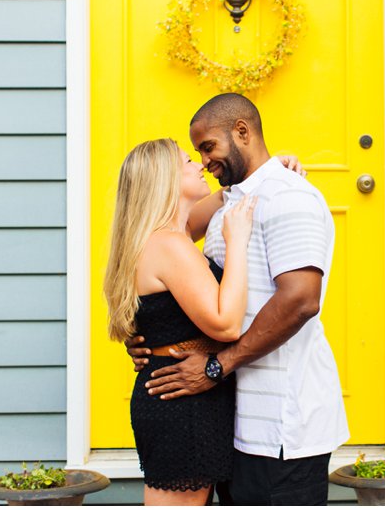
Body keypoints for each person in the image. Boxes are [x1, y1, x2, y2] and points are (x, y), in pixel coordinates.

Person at [126, 93, 349, 505]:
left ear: (241, 132)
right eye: (194, 155)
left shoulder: (288, 197)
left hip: (281, 425)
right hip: (230, 419)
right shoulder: (229, 203)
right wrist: (151, 338)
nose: (204, 162)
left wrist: (216, 365)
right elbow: (154, 242)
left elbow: (301, 301)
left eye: (208, 148)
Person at [104, 138, 255, 505]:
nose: (199, 165)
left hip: (179, 393)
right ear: (165, 179)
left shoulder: (167, 237)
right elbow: (226, 325)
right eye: (188, 161)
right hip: (181, 401)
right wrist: (236, 243)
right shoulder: (168, 244)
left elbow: (224, 196)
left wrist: (268, 169)